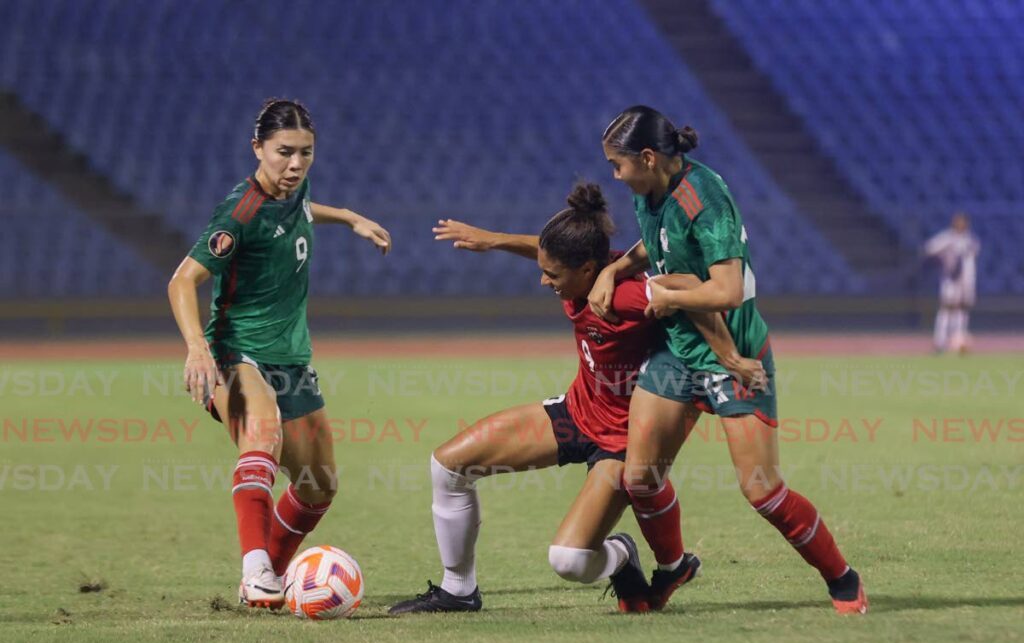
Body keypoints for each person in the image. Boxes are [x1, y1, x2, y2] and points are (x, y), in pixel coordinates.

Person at [389, 183, 763, 615]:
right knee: (448, 466)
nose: (543, 279)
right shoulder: (583, 271)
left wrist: (730, 357)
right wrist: (494, 240)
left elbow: (693, 289)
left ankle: (621, 554)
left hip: (621, 443)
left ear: (589, 269)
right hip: (576, 412)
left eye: (552, 274)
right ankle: (459, 590)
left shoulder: (626, 295)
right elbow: (545, 250)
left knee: (568, 561)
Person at [590, 105, 868, 614]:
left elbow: (728, 290)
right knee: (640, 478)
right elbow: (660, 247)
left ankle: (842, 577)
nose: (615, 175)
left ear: (648, 158)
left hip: (734, 353)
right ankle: (674, 569)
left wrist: (670, 299)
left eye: (618, 164)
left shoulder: (706, 198)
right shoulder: (650, 193)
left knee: (762, 491)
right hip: (677, 350)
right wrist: (614, 271)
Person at [167, 99, 392, 608]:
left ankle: (269, 578)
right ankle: (255, 572)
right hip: (235, 353)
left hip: (292, 358)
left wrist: (351, 218)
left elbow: (303, 209)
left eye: (306, 154)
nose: (295, 164)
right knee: (262, 433)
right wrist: (198, 350)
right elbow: (182, 281)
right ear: (258, 149)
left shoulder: (296, 188)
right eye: (283, 153)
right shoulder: (239, 212)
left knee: (318, 485)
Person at [923, 212, 980, 353]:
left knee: (962, 310)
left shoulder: (971, 240)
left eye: (963, 222)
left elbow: (970, 260)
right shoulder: (947, 238)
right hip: (950, 280)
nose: (960, 225)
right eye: (958, 221)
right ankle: (939, 342)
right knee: (946, 309)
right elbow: (930, 248)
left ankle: (959, 341)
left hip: (966, 281)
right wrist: (943, 260)